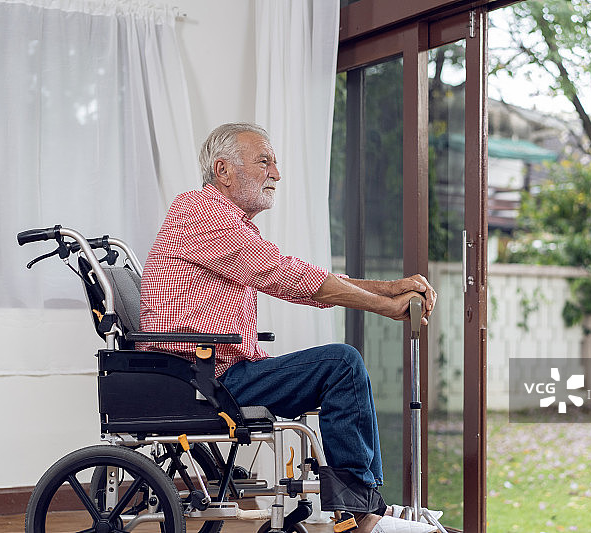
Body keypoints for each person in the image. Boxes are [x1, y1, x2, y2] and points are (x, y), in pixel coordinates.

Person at [139, 123, 438, 533]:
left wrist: (389, 288)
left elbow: (299, 273)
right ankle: (363, 515)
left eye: (275, 163)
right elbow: (286, 275)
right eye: (265, 162)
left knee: (340, 366)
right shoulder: (201, 213)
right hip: (206, 381)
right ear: (223, 170)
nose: (276, 174)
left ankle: (370, 506)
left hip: (218, 373)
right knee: (342, 363)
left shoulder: (223, 221)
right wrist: (385, 306)